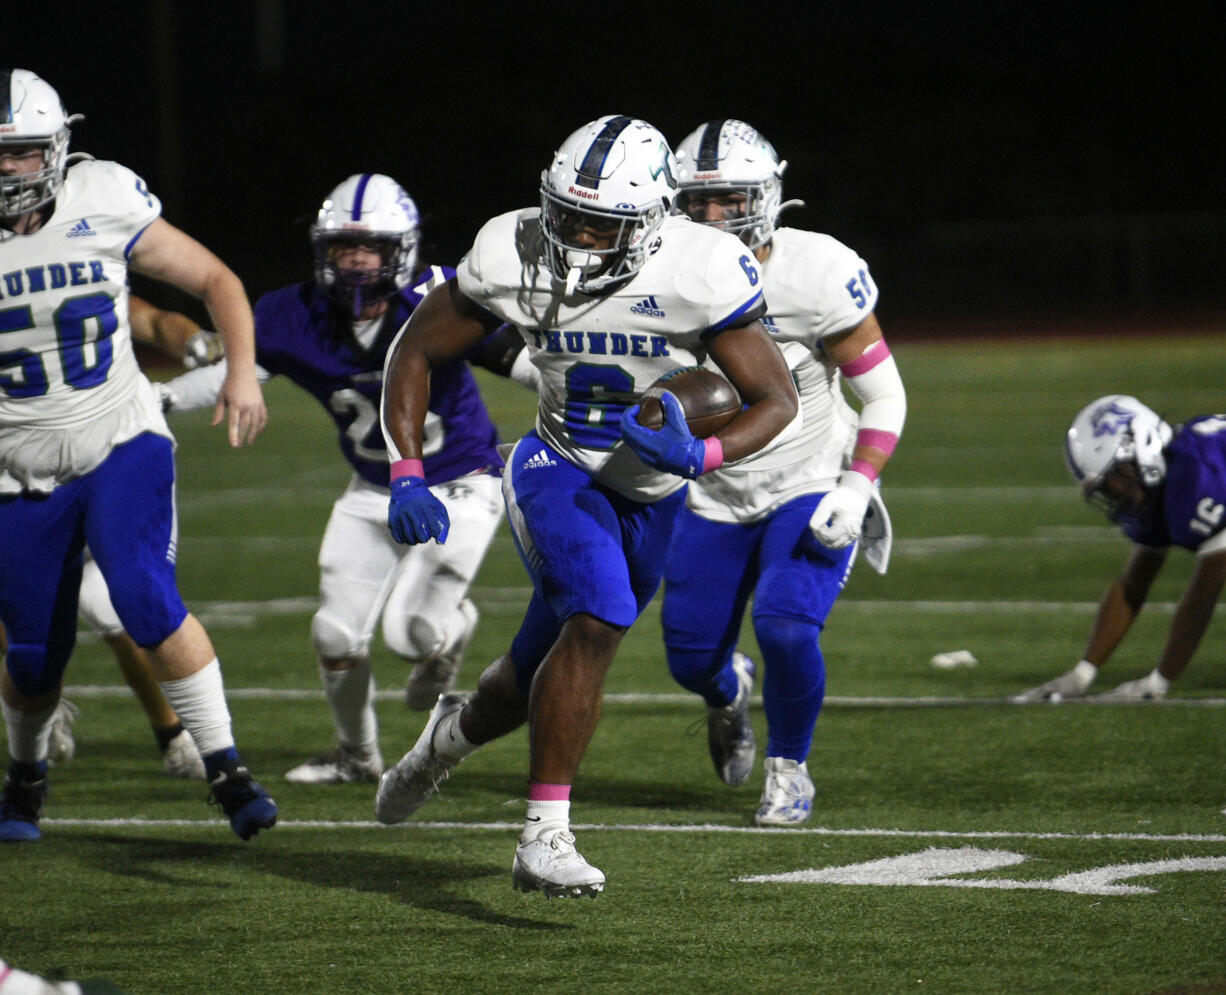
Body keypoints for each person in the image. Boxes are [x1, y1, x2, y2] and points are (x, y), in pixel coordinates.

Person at [376, 115, 799, 897]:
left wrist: (704, 454)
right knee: (599, 615)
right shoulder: (511, 250)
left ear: (652, 220)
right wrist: (406, 470)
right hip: (558, 465)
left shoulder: (701, 268)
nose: (574, 236)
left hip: (653, 490)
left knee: (532, 668)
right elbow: (417, 348)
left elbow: (775, 397)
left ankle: (443, 740)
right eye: (565, 214)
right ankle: (545, 837)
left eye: (599, 224)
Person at [158, 173, 520, 785]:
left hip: (460, 480)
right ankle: (357, 756)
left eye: (371, 247)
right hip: (373, 487)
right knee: (332, 629)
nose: (356, 261)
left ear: (400, 250)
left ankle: (452, 630)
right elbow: (237, 374)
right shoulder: (292, 314)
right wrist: (155, 399)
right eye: (343, 247)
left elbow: (520, 361)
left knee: (412, 636)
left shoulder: (441, 300)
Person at [0, 68, 276, 841]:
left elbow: (218, 278)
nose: (9, 170)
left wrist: (243, 373)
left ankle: (225, 766)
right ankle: (25, 778)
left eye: (23, 153)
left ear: (56, 149)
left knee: (141, 591)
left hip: (122, 437)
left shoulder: (105, 196)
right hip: (16, 470)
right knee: (32, 654)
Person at [656, 119, 907, 826]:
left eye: (730, 199)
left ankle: (789, 766)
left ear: (766, 195)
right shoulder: (655, 273)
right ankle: (726, 691)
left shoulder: (815, 271)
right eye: (696, 201)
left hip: (808, 475)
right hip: (708, 489)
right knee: (690, 659)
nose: (712, 216)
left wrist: (856, 488)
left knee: (787, 625)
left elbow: (884, 393)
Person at [37, 295, 219, 780]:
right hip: (24, 456)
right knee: (20, 609)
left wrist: (193, 339)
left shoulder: (81, 267)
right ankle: (36, 714)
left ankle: (175, 735)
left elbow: (154, 318)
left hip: (102, 453)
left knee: (120, 607)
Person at [1015, 395, 1226, 702]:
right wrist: (1082, 674)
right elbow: (1132, 585)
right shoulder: (1164, 485)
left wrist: (1158, 683)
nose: (1116, 493)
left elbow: (1206, 587)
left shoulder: (1198, 469)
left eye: (1116, 478)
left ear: (1142, 444)